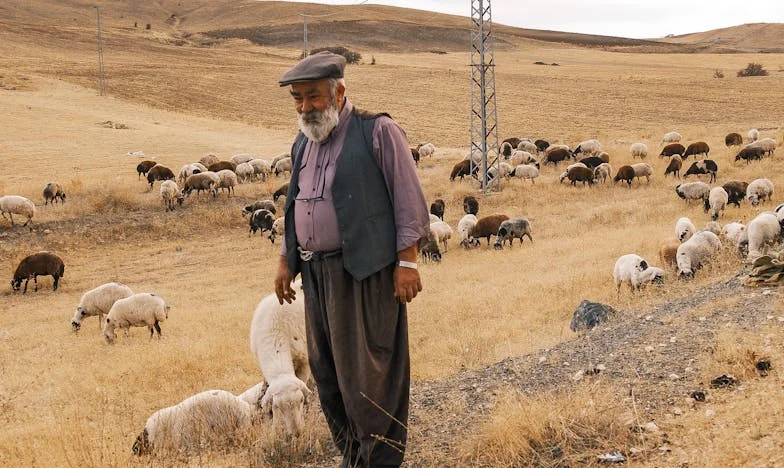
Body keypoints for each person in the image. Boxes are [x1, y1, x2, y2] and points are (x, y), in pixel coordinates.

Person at [273, 51, 429, 467]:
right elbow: (294, 203)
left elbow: (409, 200)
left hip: (365, 274)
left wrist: (408, 263)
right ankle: (355, 459)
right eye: (297, 99)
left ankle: (382, 461)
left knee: (371, 377)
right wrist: (286, 261)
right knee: (328, 378)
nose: (304, 108)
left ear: (339, 93)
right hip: (316, 276)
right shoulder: (302, 142)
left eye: (313, 97)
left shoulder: (377, 131)